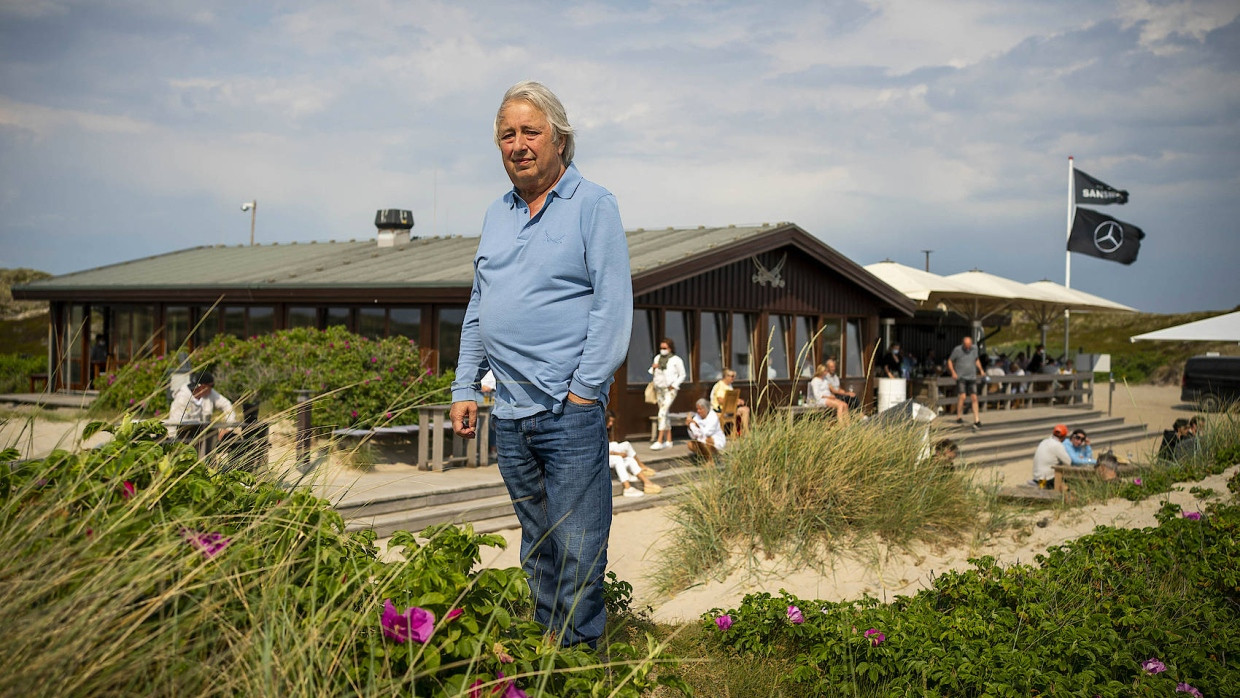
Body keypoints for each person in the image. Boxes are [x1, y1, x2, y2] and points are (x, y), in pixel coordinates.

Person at [449, 81, 632, 649]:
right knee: (536, 542)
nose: (519, 144)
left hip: (566, 408)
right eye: (508, 134)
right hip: (509, 410)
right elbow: (481, 305)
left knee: (579, 545)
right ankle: (545, 649)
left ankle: (580, 664)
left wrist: (583, 392)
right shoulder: (496, 214)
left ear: (559, 139)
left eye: (531, 132)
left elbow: (612, 304)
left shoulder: (593, 203)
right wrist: (463, 385)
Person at [167, 371, 238, 439]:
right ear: (203, 387)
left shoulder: (209, 393)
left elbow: (226, 405)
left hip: (202, 437)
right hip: (183, 438)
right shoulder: (182, 398)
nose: (212, 388)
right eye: (211, 385)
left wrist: (229, 428)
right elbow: (177, 425)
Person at [606, 412, 661, 497]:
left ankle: (647, 483)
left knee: (629, 457)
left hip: (608, 452)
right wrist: (617, 454)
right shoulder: (596, 431)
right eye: (609, 421)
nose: (611, 424)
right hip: (601, 457)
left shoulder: (607, 430)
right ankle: (627, 488)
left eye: (612, 421)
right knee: (618, 459)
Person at [649, 337, 686, 450]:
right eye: (661, 348)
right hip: (659, 388)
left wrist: (674, 385)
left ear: (670, 348)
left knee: (662, 413)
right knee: (665, 414)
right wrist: (653, 368)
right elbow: (652, 372)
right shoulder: (657, 358)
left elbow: (683, 375)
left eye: (665, 348)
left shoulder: (676, 360)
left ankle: (659, 440)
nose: (663, 350)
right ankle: (669, 440)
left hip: (670, 390)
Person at [948, 335, 985, 429]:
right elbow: (950, 361)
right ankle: (959, 416)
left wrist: (981, 370)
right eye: (966, 345)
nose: (968, 347)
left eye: (969, 345)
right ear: (963, 344)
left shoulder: (974, 349)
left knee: (974, 398)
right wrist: (953, 372)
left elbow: (976, 359)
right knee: (963, 396)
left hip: (972, 376)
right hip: (961, 377)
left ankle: (977, 419)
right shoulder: (957, 350)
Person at [1031, 424, 1072, 489]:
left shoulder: (1044, 441)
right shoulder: (1057, 445)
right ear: (1064, 436)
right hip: (1045, 480)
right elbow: (1068, 462)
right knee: (1069, 482)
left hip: (1037, 477)